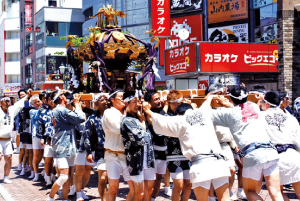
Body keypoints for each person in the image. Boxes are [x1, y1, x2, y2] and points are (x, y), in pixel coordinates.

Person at [142, 95, 231, 201]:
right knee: (225, 199)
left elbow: (161, 120)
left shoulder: (181, 120)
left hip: (201, 165)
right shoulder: (204, 114)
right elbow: (206, 103)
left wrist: (147, 110)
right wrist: (211, 96)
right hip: (219, 163)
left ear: (178, 114)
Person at [211, 85, 284, 201]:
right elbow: (242, 109)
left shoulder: (228, 113)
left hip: (253, 154)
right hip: (271, 152)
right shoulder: (254, 106)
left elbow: (207, 116)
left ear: (230, 99)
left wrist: (209, 99)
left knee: (250, 192)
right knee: (276, 192)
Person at [47, 90, 86, 201]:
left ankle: (65, 199)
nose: (66, 96)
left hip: (68, 146)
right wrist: (77, 104)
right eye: (63, 95)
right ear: (61, 98)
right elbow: (81, 118)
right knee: (64, 176)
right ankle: (50, 198)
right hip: (61, 147)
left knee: (68, 178)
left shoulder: (60, 110)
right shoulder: (61, 110)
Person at [261, 90, 300, 200]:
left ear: (267, 103)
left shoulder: (261, 117)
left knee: (277, 192)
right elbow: (298, 139)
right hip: (293, 156)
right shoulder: (290, 118)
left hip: (274, 157)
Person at [121, 91, 156, 201]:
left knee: (149, 190)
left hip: (148, 158)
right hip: (136, 161)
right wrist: (143, 122)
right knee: (139, 193)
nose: (138, 105)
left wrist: (145, 119)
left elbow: (155, 134)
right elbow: (141, 139)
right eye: (134, 102)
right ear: (126, 104)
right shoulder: (126, 121)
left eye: (139, 102)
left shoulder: (140, 118)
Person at [102, 89, 134, 201]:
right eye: (121, 97)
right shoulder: (109, 112)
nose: (124, 99)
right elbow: (118, 128)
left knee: (134, 188)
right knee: (113, 188)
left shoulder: (128, 112)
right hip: (113, 155)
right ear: (112, 99)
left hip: (128, 156)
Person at [162, 90, 192, 201]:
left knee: (188, 185)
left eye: (178, 103)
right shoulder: (166, 116)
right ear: (168, 103)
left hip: (187, 154)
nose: (176, 105)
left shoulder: (186, 112)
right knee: (178, 185)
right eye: (173, 103)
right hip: (173, 154)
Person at [144, 90, 171, 199]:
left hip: (163, 152)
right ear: (148, 103)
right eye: (155, 99)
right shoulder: (145, 114)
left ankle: (153, 198)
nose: (159, 101)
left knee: (159, 178)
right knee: (150, 180)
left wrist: (167, 105)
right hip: (151, 152)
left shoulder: (163, 112)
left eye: (159, 98)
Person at [0, 89, 31, 183]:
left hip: (8, 139)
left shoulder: (11, 110)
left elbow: (19, 103)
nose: (7, 103)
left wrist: (27, 96)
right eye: (5, 101)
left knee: (9, 158)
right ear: (1, 103)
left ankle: (6, 177)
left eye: (9, 101)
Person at [84, 93, 109, 201]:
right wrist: (89, 152)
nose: (105, 102)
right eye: (102, 100)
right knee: (103, 178)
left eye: (106, 99)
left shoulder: (115, 115)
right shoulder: (92, 118)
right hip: (101, 152)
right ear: (96, 103)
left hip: (116, 151)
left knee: (113, 181)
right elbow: (87, 135)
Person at [40, 92, 56, 186]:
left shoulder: (60, 110)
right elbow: (42, 125)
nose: (51, 101)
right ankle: (48, 178)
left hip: (58, 138)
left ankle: (53, 175)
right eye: (49, 99)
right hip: (48, 138)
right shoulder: (44, 111)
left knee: (56, 160)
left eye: (52, 99)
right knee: (48, 159)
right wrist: (42, 137)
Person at [29, 94, 44, 182]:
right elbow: (37, 115)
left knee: (44, 155)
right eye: (35, 102)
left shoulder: (46, 109)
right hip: (36, 135)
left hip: (44, 135)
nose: (37, 103)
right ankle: (35, 173)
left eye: (38, 101)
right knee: (36, 155)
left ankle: (46, 173)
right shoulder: (32, 111)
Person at [16, 89, 27, 172]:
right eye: (20, 95)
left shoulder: (29, 103)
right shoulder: (18, 105)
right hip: (22, 129)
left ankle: (26, 165)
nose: (22, 96)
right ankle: (20, 164)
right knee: (22, 150)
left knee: (28, 151)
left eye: (24, 94)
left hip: (29, 128)